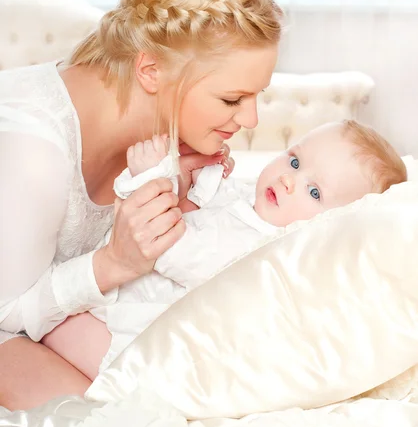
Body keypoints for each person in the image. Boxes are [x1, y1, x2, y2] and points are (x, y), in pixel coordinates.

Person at [0, 0, 282, 410]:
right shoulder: (34, 155)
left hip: (43, 321)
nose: (249, 119)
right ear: (151, 71)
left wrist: (182, 195)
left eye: (256, 96)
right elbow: (6, 310)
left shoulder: (158, 128)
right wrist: (115, 262)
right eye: (233, 98)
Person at [42, 120, 407, 380]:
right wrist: (204, 179)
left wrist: (149, 181)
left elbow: (169, 248)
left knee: (50, 323)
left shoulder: (262, 252)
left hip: (137, 337)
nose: (287, 179)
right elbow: (209, 209)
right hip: (131, 293)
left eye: (314, 192)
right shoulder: (259, 201)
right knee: (52, 303)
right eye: (294, 161)